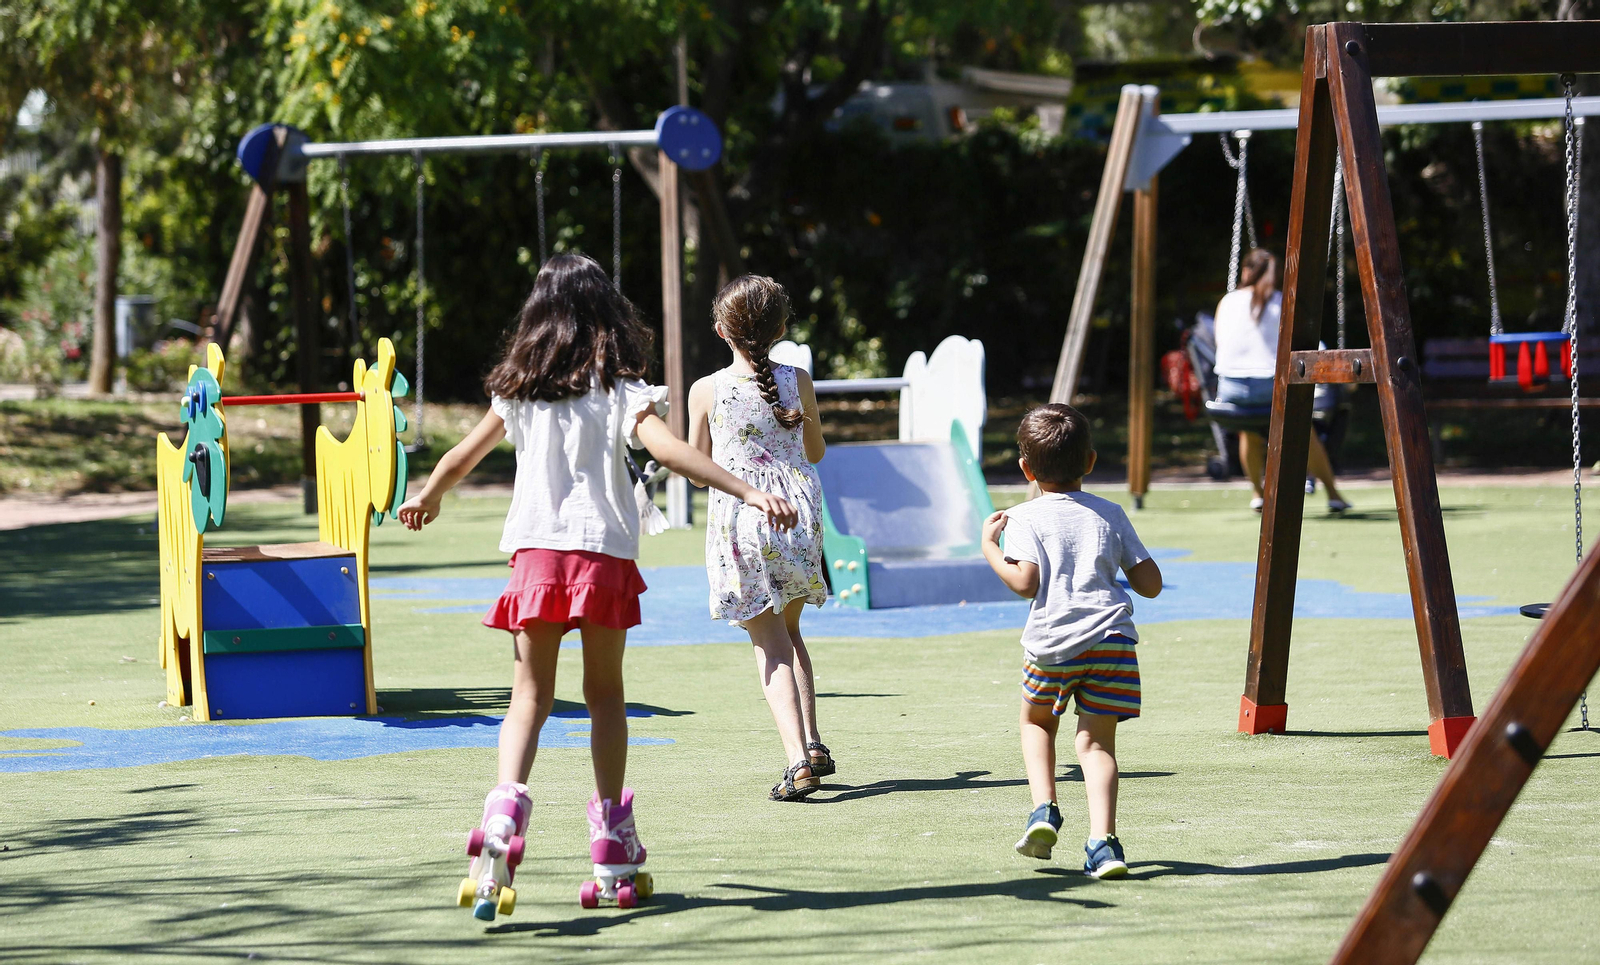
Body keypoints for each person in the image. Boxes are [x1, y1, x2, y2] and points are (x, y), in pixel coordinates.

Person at [397, 254, 798, 916]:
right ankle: (611, 841)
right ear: (606, 315)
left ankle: (501, 819)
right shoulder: (620, 390)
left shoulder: (518, 392)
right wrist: (748, 488)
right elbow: (672, 454)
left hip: (535, 557)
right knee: (605, 696)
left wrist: (429, 495)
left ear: (538, 319)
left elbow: (460, 455)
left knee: (528, 696)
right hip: (602, 555)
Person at [980, 404, 1162, 879]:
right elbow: (1151, 584)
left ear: (1026, 469)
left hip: (1051, 644)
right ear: (1091, 461)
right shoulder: (1111, 513)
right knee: (1098, 745)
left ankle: (1044, 809)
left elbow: (1025, 584)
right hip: (1112, 641)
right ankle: (1103, 844)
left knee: (1037, 723)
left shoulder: (1021, 518)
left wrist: (990, 550)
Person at [687, 275, 833, 801]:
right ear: (782, 328)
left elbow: (698, 470)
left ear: (722, 330)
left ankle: (798, 762)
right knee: (790, 632)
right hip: (800, 515)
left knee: (767, 644)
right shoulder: (799, 380)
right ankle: (813, 742)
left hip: (744, 518)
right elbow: (814, 452)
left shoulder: (707, 389)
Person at [1213, 248, 1351, 514]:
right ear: (1274, 277)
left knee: (1250, 431)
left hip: (1230, 391)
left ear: (1245, 272)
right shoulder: (1282, 302)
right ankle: (1333, 494)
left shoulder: (1227, 302)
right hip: (1269, 389)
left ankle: (1257, 493)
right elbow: (1301, 346)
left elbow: (1221, 342)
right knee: (1304, 430)